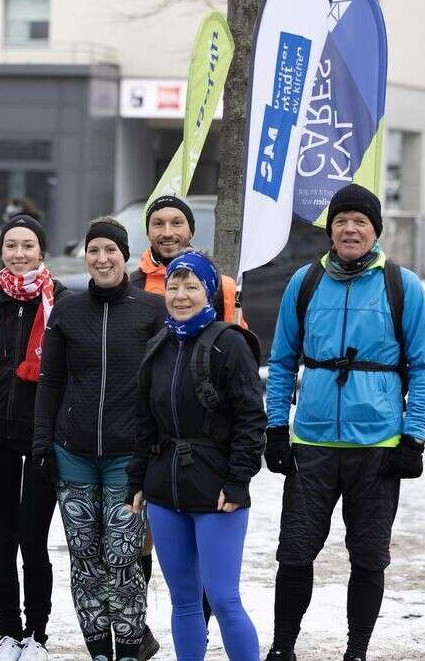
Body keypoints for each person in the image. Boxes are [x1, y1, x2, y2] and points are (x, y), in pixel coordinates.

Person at [262, 184, 425, 661]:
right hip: (313, 443)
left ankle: (356, 650)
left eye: (360, 221)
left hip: (378, 445)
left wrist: (414, 436)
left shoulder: (403, 286)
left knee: (368, 557)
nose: (349, 228)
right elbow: (281, 362)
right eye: (341, 221)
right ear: (330, 231)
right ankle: (283, 648)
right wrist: (277, 427)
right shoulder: (304, 283)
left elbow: (423, 368)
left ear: (375, 230)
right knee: (295, 553)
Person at [31, 217, 165, 661]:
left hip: (129, 459)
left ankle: (129, 649)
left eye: (111, 250)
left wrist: (156, 447)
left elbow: (163, 385)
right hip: (73, 454)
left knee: (124, 562)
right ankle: (98, 652)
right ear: (85, 256)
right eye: (94, 251)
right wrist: (41, 442)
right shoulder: (67, 309)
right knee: (85, 563)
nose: (103, 258)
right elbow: (50, 382)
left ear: (125, 255)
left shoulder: (151, 309)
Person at [126, 250, 265, 661]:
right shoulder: (158, 346)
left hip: (217, 490)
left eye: (191, 286)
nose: (181, 295)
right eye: (173, 286)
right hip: (165, 489)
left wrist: (239, 480)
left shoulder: (229, 344)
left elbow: (251, 418)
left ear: (208, 292)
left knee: (223, 599)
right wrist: (137, 480)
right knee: (183, 601)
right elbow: (144, 422)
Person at [0, 214, 68, 661]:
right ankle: (8, 631)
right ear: (0, 250)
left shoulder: (61, 301)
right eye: (11, 245)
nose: (19, 253)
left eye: (28, 245)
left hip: (41, 436)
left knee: (33, 537)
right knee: (3, 537)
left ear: (42, 251)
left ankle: (37, 635)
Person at [132, 195, 241, 324]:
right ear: (148, 233)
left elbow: (234, 341)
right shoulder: (132, 285)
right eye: (158, 224)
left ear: (191, 231)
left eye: (176, 223)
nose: (168, 233)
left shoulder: (222, 287)